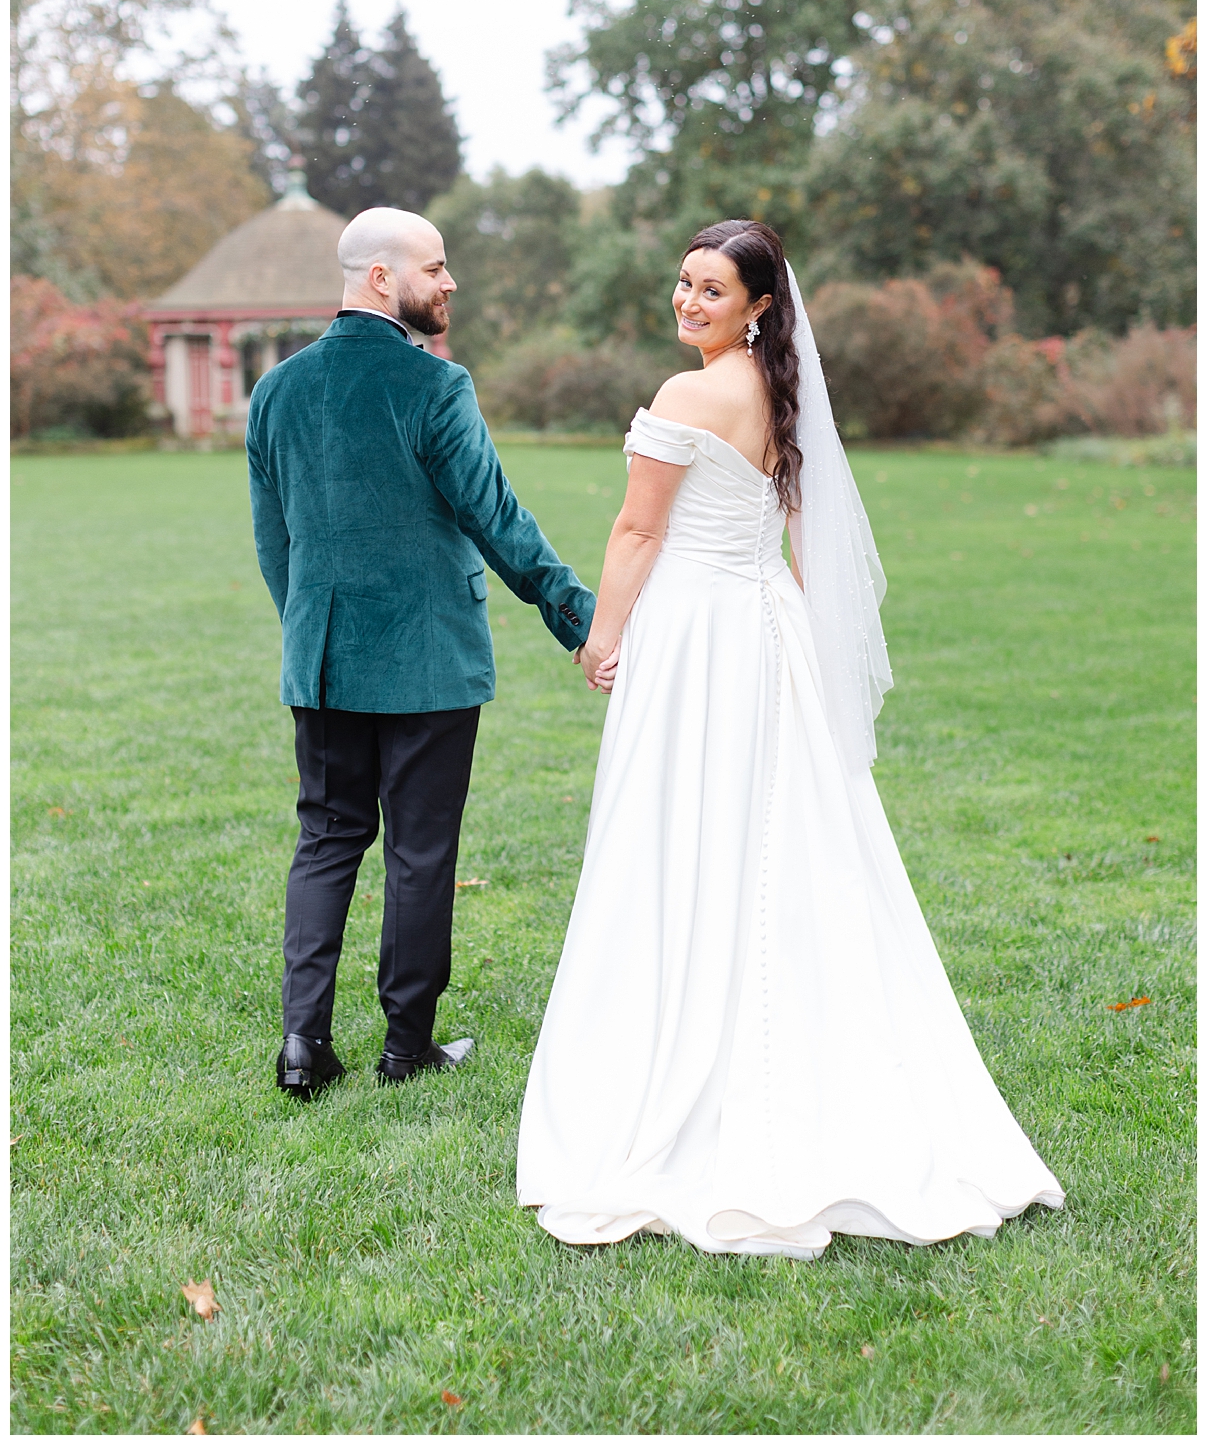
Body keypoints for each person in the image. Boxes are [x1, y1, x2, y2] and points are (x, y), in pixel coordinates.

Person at [516, 219, 1063, 1258]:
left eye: (712, 291)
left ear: (759, 304)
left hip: (695, 640)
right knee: (786, 846)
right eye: (682, 283)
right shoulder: (782, 391)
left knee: (683, 837)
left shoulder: (688, 396)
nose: (688, 303)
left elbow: (636, 532)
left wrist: (601, 637)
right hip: (766, 636)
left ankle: (695, 1071)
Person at [247, 207, 595, 1100]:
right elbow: (496, 520)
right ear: (377, 278)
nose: (448, 283)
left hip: (320, 660)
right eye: (434, 267)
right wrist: (578, 616)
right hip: (429, 662)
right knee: (418, 852)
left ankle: (302, 1045)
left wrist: (312, 628)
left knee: (326, 841)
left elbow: (274, 545)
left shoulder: (275, 391)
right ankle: (406, 1047)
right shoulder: (432, 387)